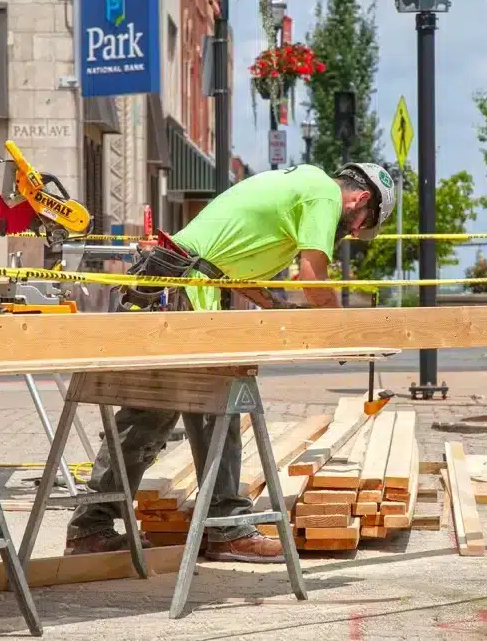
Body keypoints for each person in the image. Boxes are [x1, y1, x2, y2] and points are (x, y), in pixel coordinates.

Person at [65, 161, 396, 563]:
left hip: (170, 283)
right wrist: (343, 333)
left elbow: (230, 267)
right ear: (360, 199)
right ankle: (225, 527)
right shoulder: (324, 195)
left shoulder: (303, 185)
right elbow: (313, 278)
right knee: (213, 408)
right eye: (363, 222)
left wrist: (274, 306)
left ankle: (93, 527)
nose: (356, 232)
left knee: (152, 414)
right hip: (181, 288)